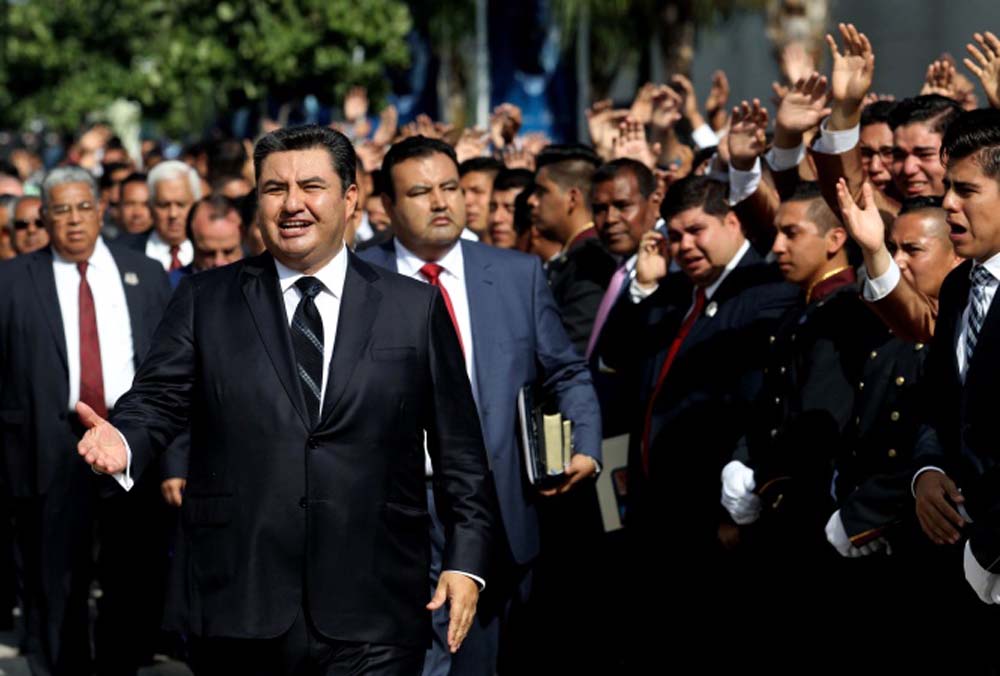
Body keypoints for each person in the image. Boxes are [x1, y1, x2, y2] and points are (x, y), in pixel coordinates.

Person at [75, 125, 496, 676]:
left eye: (311, 186)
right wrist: (125, 438)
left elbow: (460, 451)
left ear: (350, 199)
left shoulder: (411, 307)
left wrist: (466, 561)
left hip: (376, 601)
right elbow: (157, 398)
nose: (292, 204)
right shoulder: (207, 299)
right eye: (275, 189)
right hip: (242, 599)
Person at [358, 136, 601, 676]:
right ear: (389, 207)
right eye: (421, 192)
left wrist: (584, 443)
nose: (441, 202)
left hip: (496, 509)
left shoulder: (516, 274)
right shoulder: (356, 280)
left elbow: (563, 369)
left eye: (450, 187)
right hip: (392, 511)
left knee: (484, 661)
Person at [0, 166, 172, 676]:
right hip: (47, 447)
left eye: (82, 208)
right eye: (60, 211)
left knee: (129, 576)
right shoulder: (11, 280)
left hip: (128, 440)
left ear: (101, 211)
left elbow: (170, 372)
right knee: (56, 581)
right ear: (44, 218)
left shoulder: (144, 274)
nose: (73, 221)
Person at [119, 160, 200, 271]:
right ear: (151, 206)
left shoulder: (215, 252)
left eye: (181, 205)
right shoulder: (122, 252)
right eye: (164, 205)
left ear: (196, 204)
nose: (173, 214)